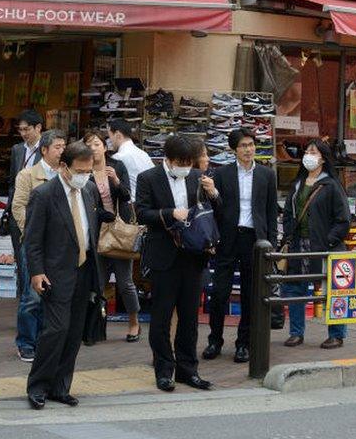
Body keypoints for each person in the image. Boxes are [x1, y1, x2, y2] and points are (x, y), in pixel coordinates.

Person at [24, 141, 113, 410]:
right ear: (64, 166)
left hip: (85, 270)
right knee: (56, 330)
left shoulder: (87, 191)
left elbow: (92, 229)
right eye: (80, 170)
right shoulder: (44, 194)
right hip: (56, 272)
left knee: (74, 333)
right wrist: (37, 271)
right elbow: (33, 239)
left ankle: (60, 387)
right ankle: (38, 386)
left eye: (88, 170)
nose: (85, 175)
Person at [136, 135, 213, 393]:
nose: (186, 166)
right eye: (181, 161)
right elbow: (141, 213)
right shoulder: (148, 178)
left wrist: (213, 193)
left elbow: (212, 213)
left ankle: (188, 369)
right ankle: (164, 370)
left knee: (190, 317)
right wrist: (170, 214)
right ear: (167, 159)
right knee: (161, 318)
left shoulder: (195, 177)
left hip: (193, 256)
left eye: (189, 161)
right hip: (164, 256)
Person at [204, 129, 278, 364]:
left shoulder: (267, 175)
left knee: (250, 293)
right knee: (219, 293)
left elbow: (270, 212)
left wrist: (271, 245)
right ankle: (215, 340)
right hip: (227, 238)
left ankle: (244, 343)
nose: (248, 149)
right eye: (243, 145)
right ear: (234, 150)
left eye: (251, 145)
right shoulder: (222, 174)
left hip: (255, 240)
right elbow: (215, 210)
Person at [281, 139, 350, 349]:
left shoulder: (331, 185)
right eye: (307, 151)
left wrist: (328, 240)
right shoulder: (298, 183)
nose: (308, 155)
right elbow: (287, 212)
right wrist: (288, 232)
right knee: (295, 288)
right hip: (298, 244)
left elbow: (343, 219)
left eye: (314, 151)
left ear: (323, 158)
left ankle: (337, 334)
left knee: (332, 290)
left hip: (324, 246)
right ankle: (296, 333)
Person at [10, 129, 67, 362]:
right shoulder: (28, 175)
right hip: (34, 245)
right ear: (44, 150)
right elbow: (18, 207)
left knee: (54, 293)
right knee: (32, 296)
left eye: (64, 146)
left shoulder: (67, 174)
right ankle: (26, 342)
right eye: (57, 147)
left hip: (60, 246)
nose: (62, 151)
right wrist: (33, 234)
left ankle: (47, 340)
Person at [82, 129, 140, 341]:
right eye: (88, 144)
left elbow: (126, 196)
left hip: (117, 231)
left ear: (104, 147)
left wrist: (115, 180)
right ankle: (97, 325)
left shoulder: (116, 166)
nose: (93, 148)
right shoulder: (83, 170)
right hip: (95, 232)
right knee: (99, 281)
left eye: (96, 144)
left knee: (125, 282)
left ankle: (134, 322)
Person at [8, 110, 44, 308]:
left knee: (34, 259)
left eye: (27, 129)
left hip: (37, 209)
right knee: (21, 260)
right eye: (20, 130)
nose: (23, 133)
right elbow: (12, 180)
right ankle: (25, 302)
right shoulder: (17, 150)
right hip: (18, 211)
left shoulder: (46, 150)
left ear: (38, 128)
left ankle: (35, 303)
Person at [109, 119, 155, 201]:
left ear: (117, 134)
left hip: (131, 205)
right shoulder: (143, 154)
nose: (110, 141)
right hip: (148, 202)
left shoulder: (118, 157)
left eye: (110, 137)